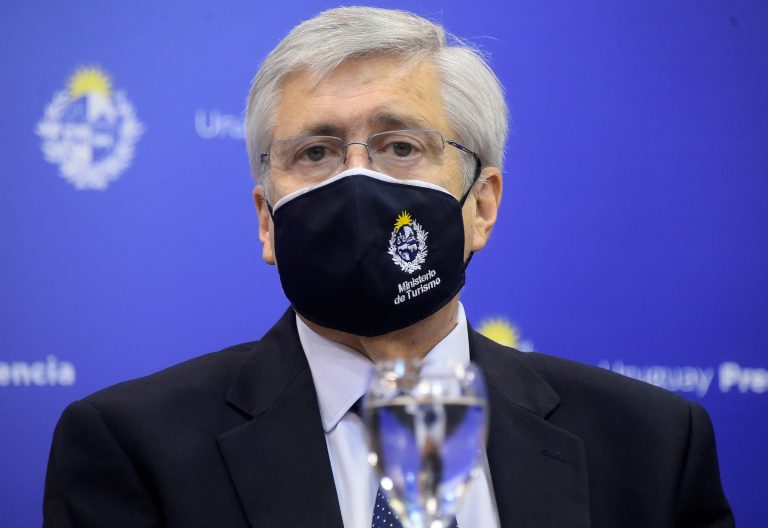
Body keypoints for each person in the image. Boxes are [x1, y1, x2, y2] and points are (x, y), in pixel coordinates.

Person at [43, 6, 734, 528]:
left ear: (482, 205)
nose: (355, 181)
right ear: (266, 220)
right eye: (315, 153)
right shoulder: (133, 448)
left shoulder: (650, 446)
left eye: (400, 146)